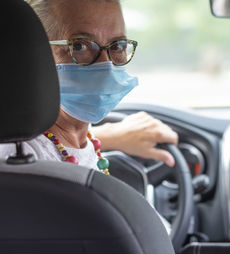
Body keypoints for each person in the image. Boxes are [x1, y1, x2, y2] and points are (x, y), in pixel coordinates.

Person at [0, 0, 178, 174]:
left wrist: (112, 136)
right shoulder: (21, 160)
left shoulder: (81, 138)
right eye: (79, 45)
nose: (106, 64)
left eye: (118, 46)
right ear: (36, 53)